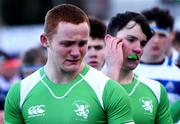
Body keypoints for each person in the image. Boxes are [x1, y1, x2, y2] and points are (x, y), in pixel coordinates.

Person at [4, 4, 135, 124]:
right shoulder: (19, 92)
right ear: (45, 40)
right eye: (67, 44)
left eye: (82, 43)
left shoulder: (109, 90)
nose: (76, 52)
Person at [101, 11, 173, 123]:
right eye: (131, 40)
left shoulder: (156, 90)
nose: (138, 49)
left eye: (143, 43)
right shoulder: (86, 85)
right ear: (109, 41)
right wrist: (113, 69)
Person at [134, 7, 180, 104]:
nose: (156, 41)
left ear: (172, 35)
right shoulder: (123, 70)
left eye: (162, 35)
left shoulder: (177, 73)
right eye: (151, 34)